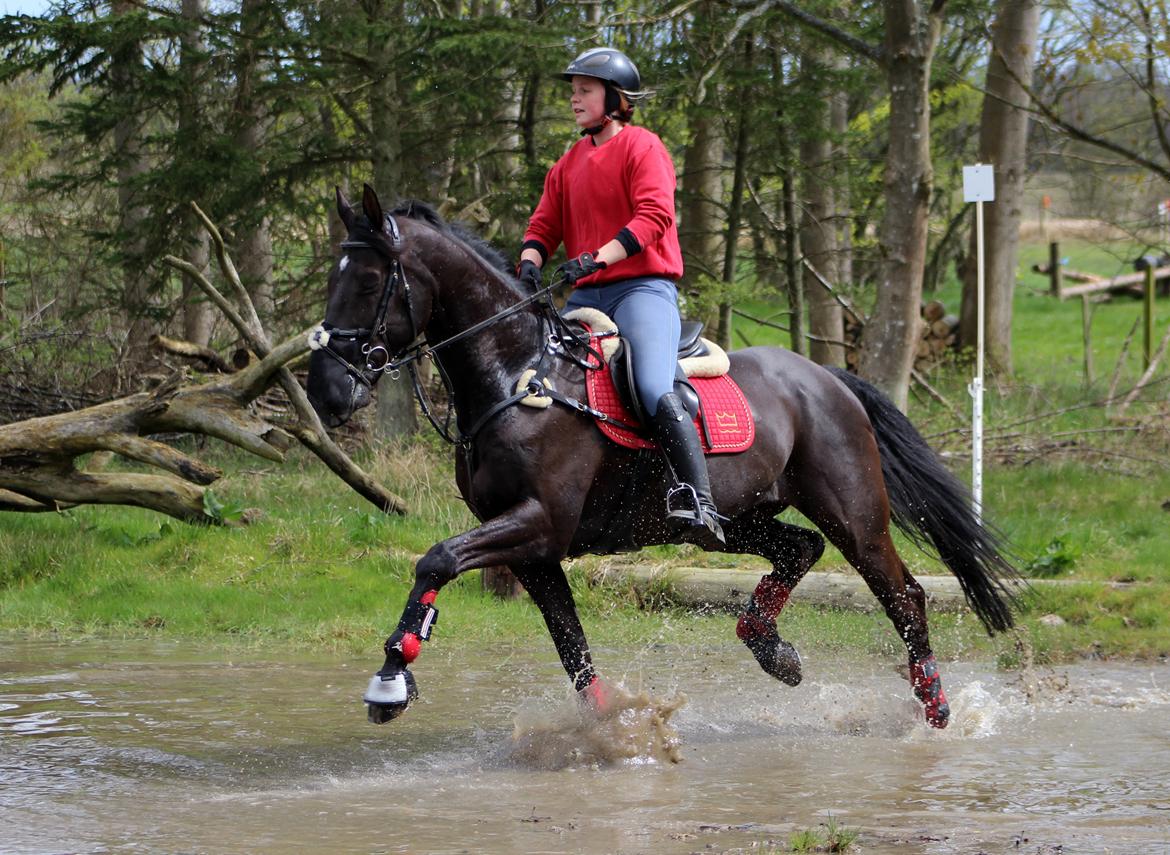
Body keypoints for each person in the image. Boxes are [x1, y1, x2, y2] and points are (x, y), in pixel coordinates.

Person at [517, 46, 724, 543]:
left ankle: (698, 499)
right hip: (585, 298)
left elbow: (655, 216)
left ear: (613, 98)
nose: (574, 100)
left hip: (642, 291)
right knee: (544, 382)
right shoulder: (566, 164)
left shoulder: (643, 147)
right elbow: (543, 226)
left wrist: (599, 256)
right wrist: (528, 265)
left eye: (584, 90)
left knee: (653, 386)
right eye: (572, 92)